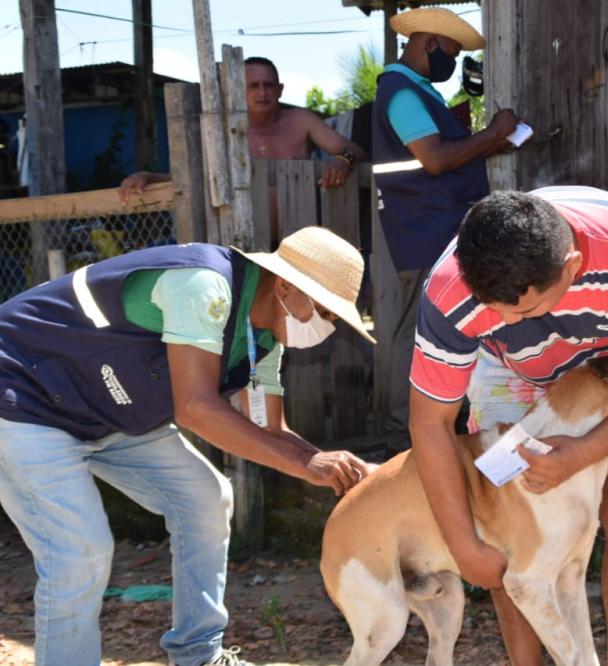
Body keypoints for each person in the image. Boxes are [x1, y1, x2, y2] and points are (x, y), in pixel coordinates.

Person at [0, 226, 376, 666]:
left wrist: (346, 469)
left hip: (105, 415)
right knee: (79, 552)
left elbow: (269, 428)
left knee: (206, 500)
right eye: (327, 313)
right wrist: (306, 463)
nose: (327, 326)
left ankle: (199, 654)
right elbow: (196, 408)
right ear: (287, 286)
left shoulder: (265, 337)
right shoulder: (204, 285)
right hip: (24, 397)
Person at [409, 188, 608, 665]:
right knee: (505, 521)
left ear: (571, 267)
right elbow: (430, 422)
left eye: (522, 310)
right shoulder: (449, 290)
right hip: (508, 368)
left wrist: (583, 451)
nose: (502, 319)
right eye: (491, 309)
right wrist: (466, 546)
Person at [373, 7, 519, 456]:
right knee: (417, 335)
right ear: (429, 43)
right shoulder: (400, 93)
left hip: (438, 227)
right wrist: (493, 134)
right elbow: (434, 158)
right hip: (425, 230)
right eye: (451, 53)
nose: (451, 65)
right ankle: (406, 440)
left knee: (439, 329)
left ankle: (435, 429)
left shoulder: (417, 92)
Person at [119, 57, 367, 240]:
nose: (262, 92)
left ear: (280, 90)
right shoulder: (223, 132)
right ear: (238, 90)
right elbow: (197, 180)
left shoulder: (300, 120)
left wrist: (343, 160)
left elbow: (353, 149)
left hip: (299, 239)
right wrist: (147, 176)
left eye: (268, 85)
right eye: (253, 86)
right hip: (240, 239)